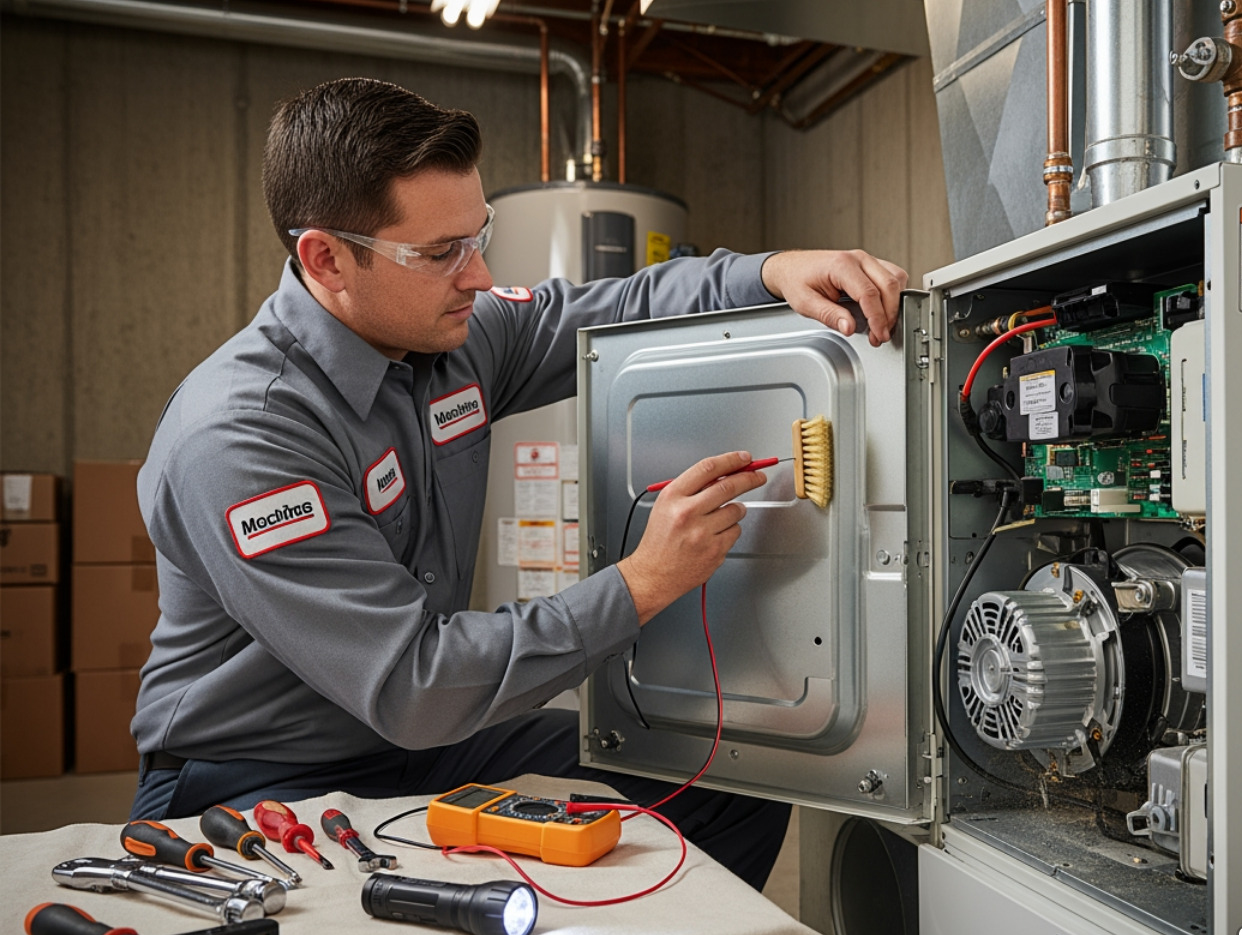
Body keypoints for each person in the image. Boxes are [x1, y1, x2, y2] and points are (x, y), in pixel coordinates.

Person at [126, 78, 906, 891]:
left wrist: (774, 270)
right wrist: (640, 585)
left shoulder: (456, 334)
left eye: (479, 235)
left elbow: (621, 305)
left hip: (408, 735)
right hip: (251, 773)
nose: (479, 274)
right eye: (440, 254)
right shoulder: (245, 434)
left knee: (725, 782)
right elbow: (414, 683)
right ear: (326, 258)